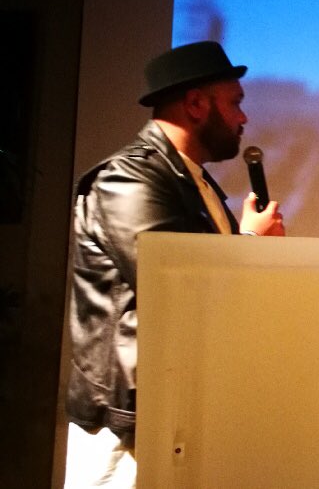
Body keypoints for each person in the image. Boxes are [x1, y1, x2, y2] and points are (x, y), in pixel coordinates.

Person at [65, 41, 285, 487]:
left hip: (178, 417)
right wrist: (250, 244)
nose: (244, 118)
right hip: (131, 432)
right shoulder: (128, 179)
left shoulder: (191, 179)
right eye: (235, 103)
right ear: (196, 104)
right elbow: (175, 289)